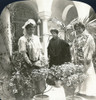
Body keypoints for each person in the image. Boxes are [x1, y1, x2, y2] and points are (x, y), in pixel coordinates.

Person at [18, 19, 46, 98]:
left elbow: (40, 50)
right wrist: (30, 63)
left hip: (38, 62)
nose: (32, 30)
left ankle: (40, 95)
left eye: (33, 29)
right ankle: (31, 97)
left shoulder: (36, 38)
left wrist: (40, 60)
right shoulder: (22, 39)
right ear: (26, 29)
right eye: (30, 29)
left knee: (40, 79)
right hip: (28, 64)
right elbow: (24, 53)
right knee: (30, 81)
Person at [71, 22, 96, 97]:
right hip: (78, 60)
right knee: (79, 74)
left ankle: (89, 91)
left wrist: (89, 56)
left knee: (88, 74)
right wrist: (73, 57)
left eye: (79, 28)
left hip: (86, 59)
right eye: (76, 29)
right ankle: (80, 90)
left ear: (83, 28)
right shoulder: (75, 39)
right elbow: (73, 49)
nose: (78, 30)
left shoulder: (89, 37)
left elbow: (92, 48)